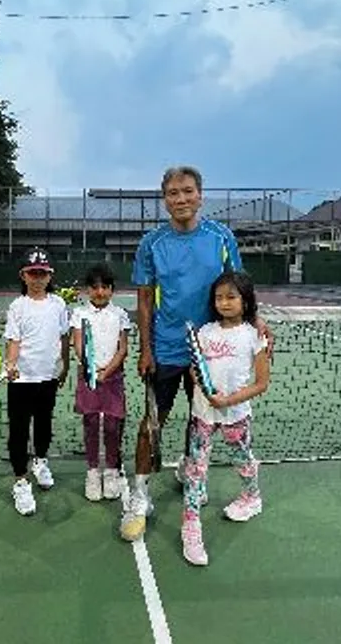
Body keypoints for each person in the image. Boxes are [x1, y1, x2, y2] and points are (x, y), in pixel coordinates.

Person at [120, 165, 273, 542]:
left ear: (200, 195)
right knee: (152, 423)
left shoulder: (221, 237)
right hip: (166, 349)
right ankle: (139, 494)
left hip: (212, 353)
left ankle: (188, 470)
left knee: (199, 421)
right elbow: (144, 300)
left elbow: (239, 286)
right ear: (165, 200)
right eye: (173, 193)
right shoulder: (152, 243)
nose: (181, 199)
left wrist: (256, 319)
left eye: (188, 191)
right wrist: (146, 349)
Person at [182, 270, 270, 565]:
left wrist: (227, 400)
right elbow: (194, 367)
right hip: (202, 414)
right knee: (195, 470)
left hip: (236, 415)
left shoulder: (254, 336)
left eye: (231, 297)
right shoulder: (205, 332)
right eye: (219, 297)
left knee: (243, 461)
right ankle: (191, 527)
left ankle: (251, 497)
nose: (224, 302)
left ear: (245, 300)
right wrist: (205, 389)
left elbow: (261, 383)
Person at [4, 247, 70, 516]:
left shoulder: (58, 304)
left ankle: (40, 462)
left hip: (48, 377)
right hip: (21, 379)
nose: (38, 278)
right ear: (24, 275)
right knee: (19, 430)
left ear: (50, 275)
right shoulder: (17, 306)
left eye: (42, 273)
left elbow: (64, 337)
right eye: (33, 273)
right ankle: (20, 481)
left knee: (44, 424)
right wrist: (11, 364)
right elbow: (14, 340)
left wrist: (65, 365)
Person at [70, 263, 133, 501]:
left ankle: (112, 470)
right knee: (91, 423)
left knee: (113, 425)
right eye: (95, 287)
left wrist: (108, 371)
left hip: (113, 377)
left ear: (112, 290)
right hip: (89, 377)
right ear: (88, 290)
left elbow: (123, 348)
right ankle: (93, 472)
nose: (100, 292)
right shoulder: (79, 314)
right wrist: (92, 369)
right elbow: (78, 344)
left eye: (105, 287)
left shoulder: (121, 315)